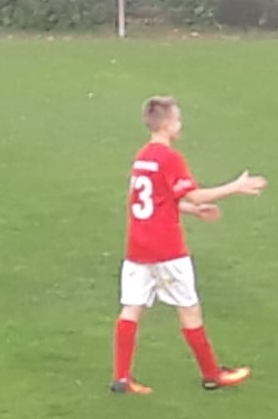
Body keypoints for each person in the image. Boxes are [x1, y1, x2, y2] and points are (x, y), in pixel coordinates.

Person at [112, 96, 266, 395]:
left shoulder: (142, 157)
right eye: (178, 120)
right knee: (189, 309)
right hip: (166, 247)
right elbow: (194, 194)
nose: (180, 125)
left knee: (131, 308)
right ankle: (211, 375)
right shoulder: (169, 158)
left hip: (138, 246)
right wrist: (236, 186)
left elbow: (156, 200)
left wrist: (192, 212)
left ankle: (121, 377)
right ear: (167, 124)